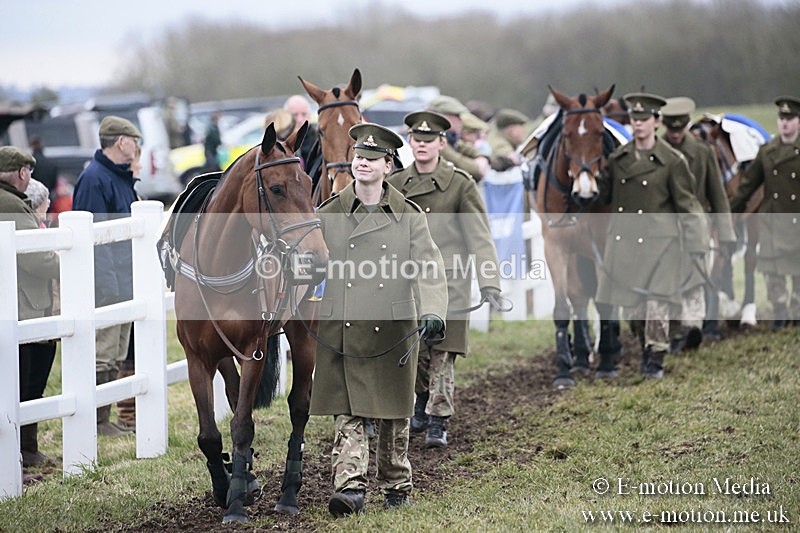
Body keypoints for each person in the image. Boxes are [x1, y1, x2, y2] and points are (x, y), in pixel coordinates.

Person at [310, 123, 448, 515]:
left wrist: (434, 309)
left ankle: (395, 484)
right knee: (348, 411)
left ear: (389, 166)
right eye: (358, 158)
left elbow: (429, 265)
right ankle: (350, 486)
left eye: (372, 159)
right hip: (343, 328)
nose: (363, 164)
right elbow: (308, 263)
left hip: (392, 329)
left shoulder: (409, 214)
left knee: (392, 415)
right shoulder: (328, 212)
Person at [387, 111, 502, 448]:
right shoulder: (395, 185)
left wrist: (489, 281)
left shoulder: (460, 183)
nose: (421, 146)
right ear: (410, 142)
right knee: (417, 350)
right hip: (408, 282)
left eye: (429, 140)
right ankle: (421, 402)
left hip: (449, 281)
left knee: (442, 352)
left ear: (441, 143)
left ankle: (439, 419)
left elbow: (479, 236)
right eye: (416, 139)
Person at [595, 93, 708, 379]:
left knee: (657, 304)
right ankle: (647, 348)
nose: (639, 125)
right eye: (634, 119)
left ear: (656, 122)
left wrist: (697, 246)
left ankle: (655, 359)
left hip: (662, 246)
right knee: (633, 311)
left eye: (644, 119)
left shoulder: (672, 161)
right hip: (625, 243)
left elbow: (688, 205)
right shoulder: (617, 159)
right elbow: (604, 197)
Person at [72, 115, 142, 437]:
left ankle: (104, 418)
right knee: (103, 354)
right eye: (134, 140)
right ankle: (97, 421)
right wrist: (109, 286)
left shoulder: (117, 177)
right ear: (121, 142)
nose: (138, 147)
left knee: (115, 353)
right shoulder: (95, 180)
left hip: (123, 281)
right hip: (107, 285)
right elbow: (94, 242)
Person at [0, 147, 60, 484]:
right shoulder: (10, 204)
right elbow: (37, 257)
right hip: (22, 304)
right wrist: (66, 261)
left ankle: (27, 449)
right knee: (21, 382)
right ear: (23, 173)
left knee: (26, 381)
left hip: (22, 302)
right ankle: (16, 462)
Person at [660, 96, 736, 347]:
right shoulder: (655, 152)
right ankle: (673, 332)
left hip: (696, 228)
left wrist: (726, 235)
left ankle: (693, 328)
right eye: (670, 129)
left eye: (679, 129)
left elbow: (718, 196)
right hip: (664, 231)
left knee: (696, 279)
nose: (674, 135)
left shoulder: (703, 153)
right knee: (667, 284)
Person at [729, 95, 800, 329]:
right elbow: (749, 184)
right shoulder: (767, 151)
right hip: (773, 219)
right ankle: (779, 311)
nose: (785, 123)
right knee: (773, 272)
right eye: (782, 118)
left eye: (790, 118)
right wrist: (730, 212)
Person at [18, 178, 60, 467]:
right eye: (45, 207)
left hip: (42, 308)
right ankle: (25, 448)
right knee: (28, 381)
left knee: (36, 381)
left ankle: (29, 446)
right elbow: (41, 262)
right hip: (30, 309)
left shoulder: (38, 228)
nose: (47, 212)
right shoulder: (29, 228)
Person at [283, 94, 319, 169]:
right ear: (286, 116)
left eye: (304, 114)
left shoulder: (319, 137)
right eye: (295, 115)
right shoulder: (279, 139)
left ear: (309, 115)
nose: (300, 119)